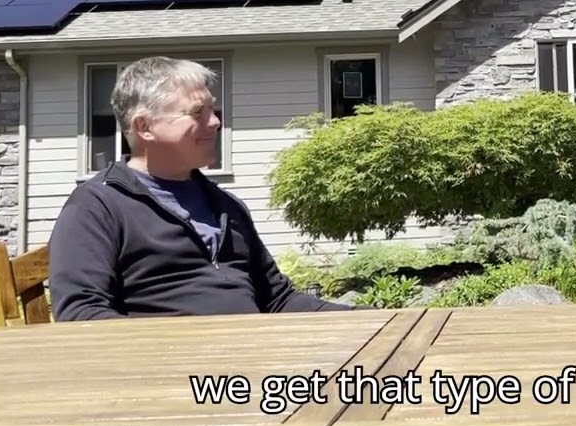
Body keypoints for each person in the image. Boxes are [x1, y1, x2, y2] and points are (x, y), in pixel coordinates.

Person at [49, 56, 357, 320]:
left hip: (250, 357)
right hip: (172, 367)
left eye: (213, 110)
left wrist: (367, 319)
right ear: (145, 127)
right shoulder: (97, 207)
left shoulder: (226, 206)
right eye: (198, 112)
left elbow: (278, 300)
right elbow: (82, 313)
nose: (215, 122)